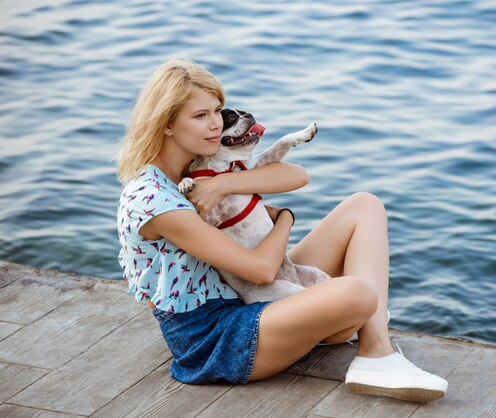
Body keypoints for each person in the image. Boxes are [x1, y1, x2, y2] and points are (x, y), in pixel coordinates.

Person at [116, 58, 448, 403]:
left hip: (252, 298)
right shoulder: (155, 199)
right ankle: (373, 350)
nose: (216, 124)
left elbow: (295, 175)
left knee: (364, 205)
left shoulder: (199, 166)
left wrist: (224, 185)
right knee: (360, 294)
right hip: (217, 338)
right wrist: (285, 218)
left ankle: (373, 349)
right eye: (200, 116)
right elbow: (260, 271)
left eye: (217, 110)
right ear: (166, 124)